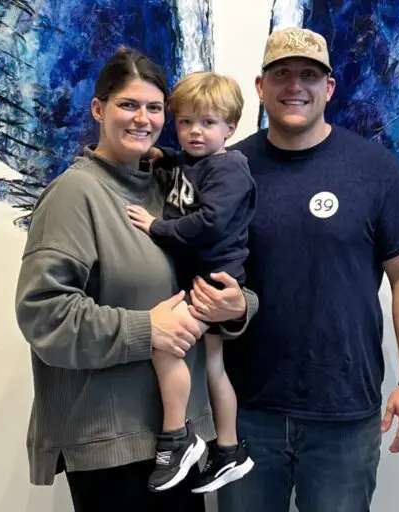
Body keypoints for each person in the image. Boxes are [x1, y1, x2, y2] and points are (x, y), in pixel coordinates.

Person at [14, 48, 257, 511]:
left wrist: (240, 306)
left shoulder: (169, 186)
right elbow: (43, 316)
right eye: (128, 104)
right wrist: (148, 330)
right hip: (112, 448)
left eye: (154, 108)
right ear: (98, 109)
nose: (142, 118)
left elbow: (209, 271)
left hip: (182, 445)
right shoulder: (75, 194)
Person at [221, 27, 399, 512]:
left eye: (308, 75)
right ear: (260, 86)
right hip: (246, 410)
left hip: (343, 411)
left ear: (329, 88)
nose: (294, 85)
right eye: (282, 74)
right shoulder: (229, 169)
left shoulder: (373, 168)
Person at [126, 71, 257, 495]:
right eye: (185, 122)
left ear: (231, 129)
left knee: (164, 346)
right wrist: (161, 155)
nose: (195, 132)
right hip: (204, 280)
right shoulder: (193, 161)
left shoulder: (230, 167)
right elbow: (178, 163)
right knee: (215, 367)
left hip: (212, 285)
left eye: (208, 123)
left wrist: (155, 227)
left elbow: (209, 223)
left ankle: (175, 437)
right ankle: (229, 449)